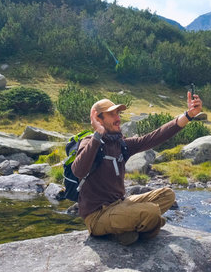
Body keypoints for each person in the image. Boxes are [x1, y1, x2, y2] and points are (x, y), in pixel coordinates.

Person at [71, 91, 203, 245]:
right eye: (112, 115)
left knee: (167, 195)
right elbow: (78, 170)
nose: (118, 118)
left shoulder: (121, 144)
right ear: (97, 119)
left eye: (118, 114)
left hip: (120, 204)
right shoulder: (89, 142)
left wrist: (188, 115)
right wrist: (97, 135)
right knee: (151, 211)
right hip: (98, 216)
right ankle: (143, 228)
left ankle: (127, 231)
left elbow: (155, 136)